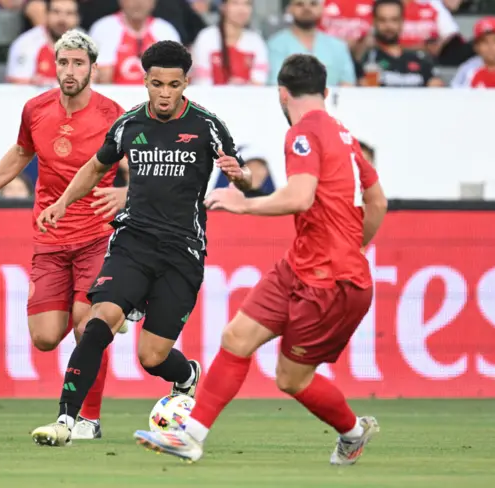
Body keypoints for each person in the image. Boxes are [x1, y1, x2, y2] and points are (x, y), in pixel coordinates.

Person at [133, 53, 389, 465]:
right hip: (301, 265)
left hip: (328, 281)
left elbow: (300, 196)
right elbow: (377, 201)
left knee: (291, 378)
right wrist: (355, 245)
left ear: (282, 94)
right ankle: (190, 437)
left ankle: (354, 432)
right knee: (236, 337)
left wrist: (243, 203)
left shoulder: (303, 133)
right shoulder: (347, 138)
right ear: (325, 91)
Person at [30, 40, 252, 447]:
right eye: (156, 84)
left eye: (172, 85)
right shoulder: (129, 124)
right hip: (132, 243)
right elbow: (96, 167)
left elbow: (244, 175)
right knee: (97, 322)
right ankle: (66, 420)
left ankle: (185, 376)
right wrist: (63, 202)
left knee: (151, 358)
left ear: (185, 83)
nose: (164, 93)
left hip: (182, 251)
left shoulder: (207, 125)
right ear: (145, 82)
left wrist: (241, 177)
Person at [0, 29, 133, 441]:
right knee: (45, 338)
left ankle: (88, 420)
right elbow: (20, 153)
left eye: (78, 63)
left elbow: (146, 162)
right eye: (63, 62)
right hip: (50, 237)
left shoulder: (114, 114)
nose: (69, 70)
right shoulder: (36, 109)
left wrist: (126, 191)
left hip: (97, 234)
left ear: (93, 69)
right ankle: (116, 312)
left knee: (87, 328)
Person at [358, 0, 443, 87]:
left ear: (402, 21)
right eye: (382, 20)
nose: (388, 25)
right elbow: (368, 94)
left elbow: (436, 87)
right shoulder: (368, 59)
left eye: (394, 20)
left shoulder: (420, 58)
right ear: (374, 22)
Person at [190, 0, 268, 85]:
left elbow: (259, 82)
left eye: (247, 4)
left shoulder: (256, 41)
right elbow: (202, 82)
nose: (242, 9)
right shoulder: (206, 37)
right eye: (235, 3)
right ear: (223, 7)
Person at [451, 17, 495, 89]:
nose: (491, 47)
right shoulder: (467, 70)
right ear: (476, 47)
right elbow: (455, 95)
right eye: (485, 42)